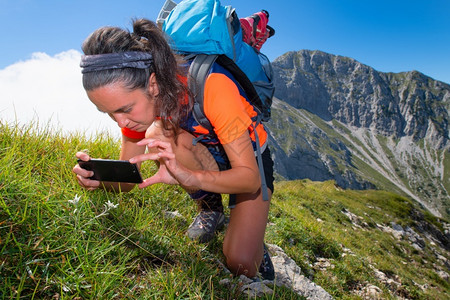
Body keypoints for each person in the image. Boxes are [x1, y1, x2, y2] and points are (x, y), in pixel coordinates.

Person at [73, 18, 275, 280]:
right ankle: (211, 209)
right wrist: (98, 179)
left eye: (124, 109)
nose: (121, 122)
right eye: (108, 113)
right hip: (205, 150)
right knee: (158, 133)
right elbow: (129, 180)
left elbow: (248, 180)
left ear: (153, 85)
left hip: (250, 160)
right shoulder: (138, 109)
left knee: (241, 262)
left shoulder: (212, 86)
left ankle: (255, 240)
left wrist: (191, 177)